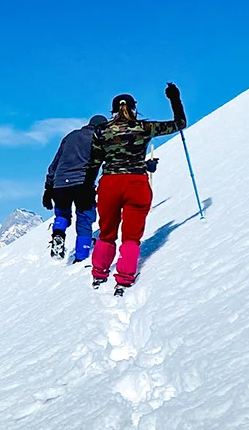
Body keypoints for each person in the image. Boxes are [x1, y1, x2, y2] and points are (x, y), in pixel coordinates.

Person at [86, 83, 188, 293]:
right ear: (134, 108)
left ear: (112, 111)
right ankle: (124, 277)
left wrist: (88, 188)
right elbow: (180, 123)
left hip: (110, 184)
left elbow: (94, 164)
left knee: (107, 232)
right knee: (131, 236)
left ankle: (99, 273)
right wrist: (174, 99)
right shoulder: (145, 127)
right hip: (137, 183)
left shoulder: (101, 131)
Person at [43, 114, 108, 262]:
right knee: (84, 219)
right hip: (83, 183)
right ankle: (81, 256)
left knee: (62, 215)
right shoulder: (100, 138)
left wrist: (48, 187)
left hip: (60, 184)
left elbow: (55, 163)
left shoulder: (70, 136)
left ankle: (58, 234)